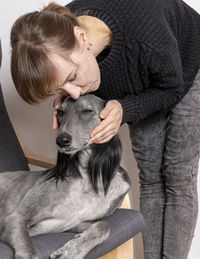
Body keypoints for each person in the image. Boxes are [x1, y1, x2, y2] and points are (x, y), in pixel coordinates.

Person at [10, 0, 200, 258]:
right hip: (142, 74)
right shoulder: (56, 30)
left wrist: (126, 109)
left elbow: (173, 87)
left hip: (189, 62)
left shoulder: (145, 36)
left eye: (71, 78)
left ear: (81, 37)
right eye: (62, 90)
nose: (75, 93)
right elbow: (77, 86)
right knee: (151, 175)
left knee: (177, 173)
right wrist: (65, 97)